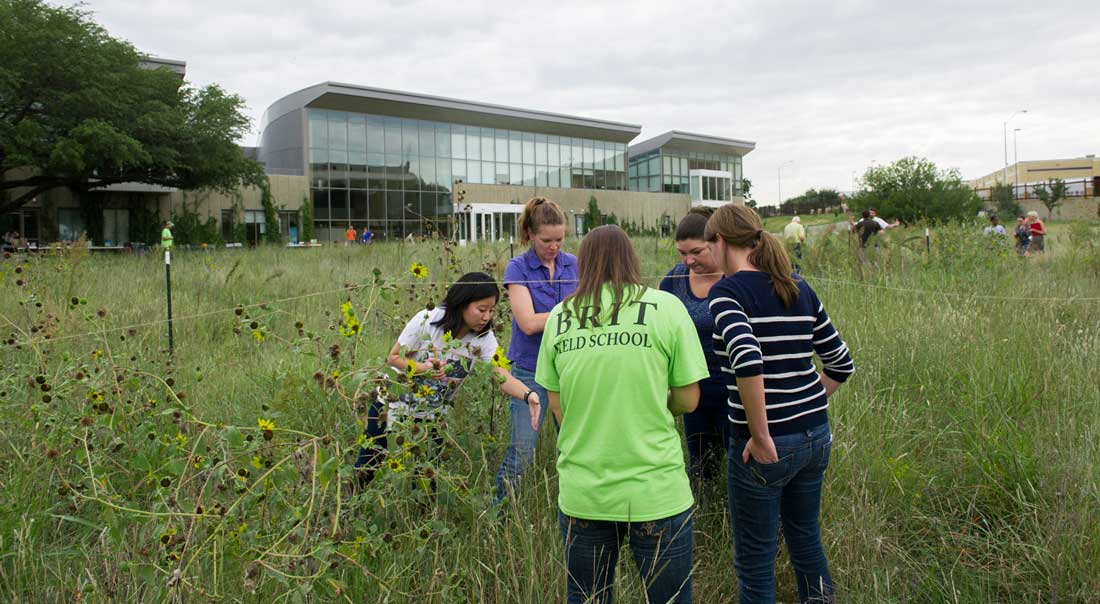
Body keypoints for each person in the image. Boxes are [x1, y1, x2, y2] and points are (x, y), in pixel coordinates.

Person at [537, 225, 709, 604]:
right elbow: (689, 398)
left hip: (585, 493)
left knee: (588, 597)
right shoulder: (667, 308)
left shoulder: (559, 317)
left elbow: (556, 402)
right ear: (633, 258)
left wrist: (591, 426)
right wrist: (654, 403)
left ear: (582, 263)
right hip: (656, 492)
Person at [705, 203, 854, 603]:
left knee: (755, 559)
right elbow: (841, 363)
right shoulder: (798, 287)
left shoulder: (727, 292)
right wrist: (803, 402)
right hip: (815, 437)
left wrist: (761, 433)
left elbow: (748, 359)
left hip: (763, 446)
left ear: (720, 241)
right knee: (806, 540)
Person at [354, 272, 539, 486]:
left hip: (431, 417)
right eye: (481, 309)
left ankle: (419, 519)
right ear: (462, 304)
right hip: (389, 407)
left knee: (425, 482)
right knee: (368, 466)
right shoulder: (428, 320)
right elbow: (394, 358)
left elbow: (501, 375)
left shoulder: (483, 339)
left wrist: (528, 394)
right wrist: (422, 368)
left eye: (491, 310)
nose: (487, 317)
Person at [493, 197, 578, 507]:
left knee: (574, 446)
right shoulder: (518, 267)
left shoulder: (575, 264)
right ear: (529, 234)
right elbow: (527, 323)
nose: (554, 246)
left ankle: (577, 510)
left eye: (559, 239)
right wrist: (573, 313)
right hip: (529, 370)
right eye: (546, 240)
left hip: (569, 368)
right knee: (521, 453)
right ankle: (497, 516)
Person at [659, 207, 730, 490]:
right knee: (701, 468)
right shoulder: (674, 280)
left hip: (734, 392)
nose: (689, 260)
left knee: (741, 466)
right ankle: (703, 517)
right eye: (682, 253)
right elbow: (658, 325)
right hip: (691, 392)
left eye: (697, 252)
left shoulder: (736, 279)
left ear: (717, 242)